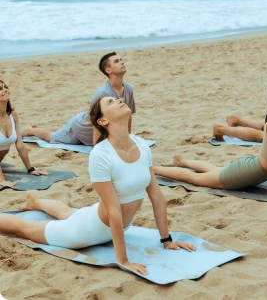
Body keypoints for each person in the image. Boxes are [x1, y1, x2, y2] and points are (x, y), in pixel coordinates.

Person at [0, 96, 195, 275]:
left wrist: (166, 240)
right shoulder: (101, 154)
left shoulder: (142, 145)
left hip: (111, 226)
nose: (118, 100)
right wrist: (123, 261)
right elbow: (113, 211)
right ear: (103, 121)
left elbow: (157, 198)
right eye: (110, 102)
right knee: (24, 228)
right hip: (84, 232)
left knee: (70, 214)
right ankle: (35, 204)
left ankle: (36, 202)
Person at [154, 79, 267, 204]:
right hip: (247, 173)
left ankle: (181, 161)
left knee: (215, 170)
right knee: (195, 178)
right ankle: (154, 170)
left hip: (253, 169)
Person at [21, 52, 136, 146]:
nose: (122, 62)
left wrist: (128, 137)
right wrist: (97, 148)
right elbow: (96, 122)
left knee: (64, 130)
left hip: (93, 126)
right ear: (108, 70)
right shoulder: (102, 93)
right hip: (82, 127)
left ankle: (43, 127)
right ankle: (29, 130)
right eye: (117, 61)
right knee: (51, 137)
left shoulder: (128, 89)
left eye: (121, 59)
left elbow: (128, 114)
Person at [0, 80, 48, 188]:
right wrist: (2, 180)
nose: (5, 90)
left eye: (5, 87)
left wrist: (30, 169)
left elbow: (20, 145)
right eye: (0, 89)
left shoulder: (13, 115)